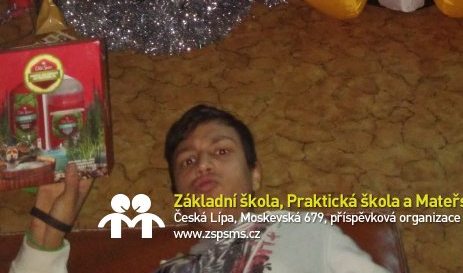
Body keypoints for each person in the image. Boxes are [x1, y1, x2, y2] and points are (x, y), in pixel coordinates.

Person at [11, 104, 391, 272]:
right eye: (187, 161)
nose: (203, 165)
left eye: (221, 151)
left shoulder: (304, 232)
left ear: (255, 175)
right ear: (180, 195)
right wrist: (46, 231)